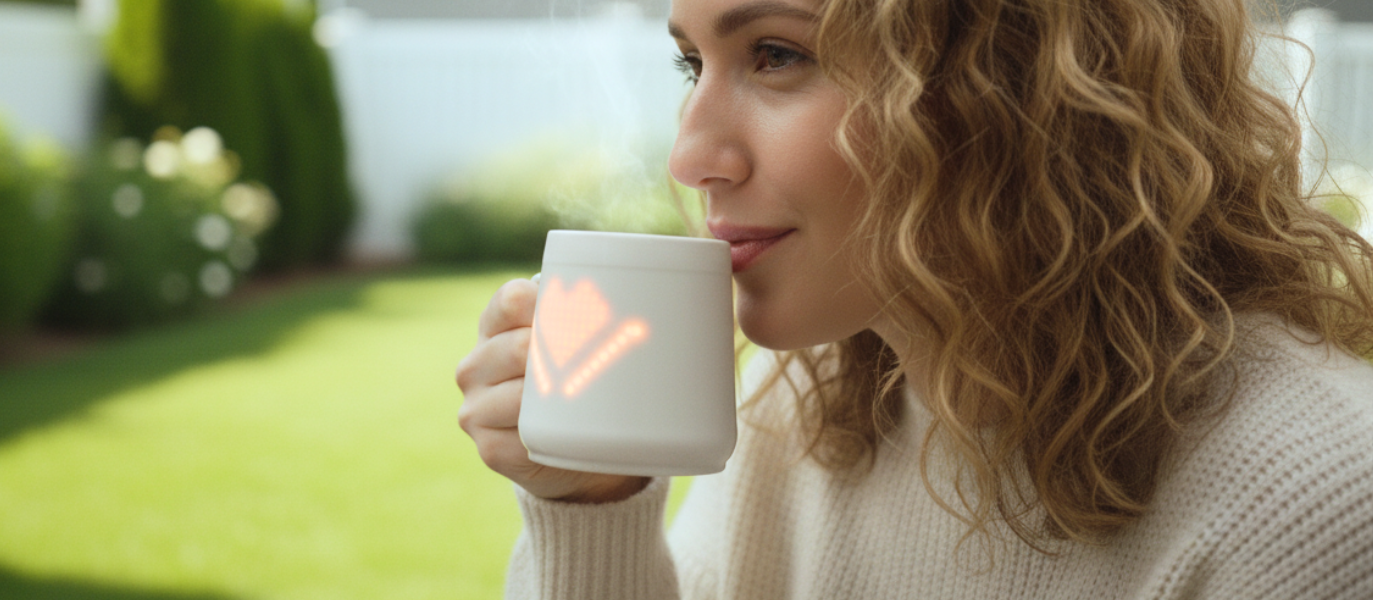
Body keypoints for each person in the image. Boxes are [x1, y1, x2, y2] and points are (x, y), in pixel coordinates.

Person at [455, 0, 1373, 597]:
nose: (690, 158)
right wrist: (590, 504)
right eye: (693, 66)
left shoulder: (1314, 500)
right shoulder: (806, 411)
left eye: (776, 55)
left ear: (1013, 87)